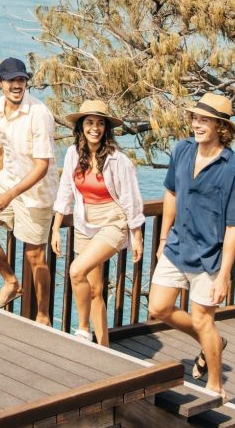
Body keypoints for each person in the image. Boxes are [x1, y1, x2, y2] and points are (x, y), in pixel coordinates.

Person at [148, 93, 235, 401]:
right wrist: (164, 237)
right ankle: (213, 344)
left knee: (203, 320)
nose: (197, 124)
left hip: (210, 258)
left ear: (221, 126)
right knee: (158, 307)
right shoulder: (182, 150)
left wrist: (224, 276)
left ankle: (216, 386)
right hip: (177, 245)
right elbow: (171, 194)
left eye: (204, 120)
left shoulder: (234, 170)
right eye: (195, 118)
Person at [0, 57, 59, 325]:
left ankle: (42, 314)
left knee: (35, 256)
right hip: (8, 181)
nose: (17, 85)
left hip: (36, 190)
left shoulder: (39, 114)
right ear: (0, 83)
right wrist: (1, 183)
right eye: (11, 80)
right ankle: (11, 282)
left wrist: (10, 194)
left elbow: (42, 166)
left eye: (21, 79)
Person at [50, 100, 144, 346]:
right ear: (81, 127)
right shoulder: (73, 154)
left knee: (75, 270)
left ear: (106, 128)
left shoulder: (117, 160)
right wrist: (56, 227)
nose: (95, 128)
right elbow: (65, 190)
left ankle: (82, 329)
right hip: (84, 223)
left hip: (113, 222)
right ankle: (104, 346)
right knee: (94, 288)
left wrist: (137, 236)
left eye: (100, 123)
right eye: (89, 123)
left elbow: (131, 199)